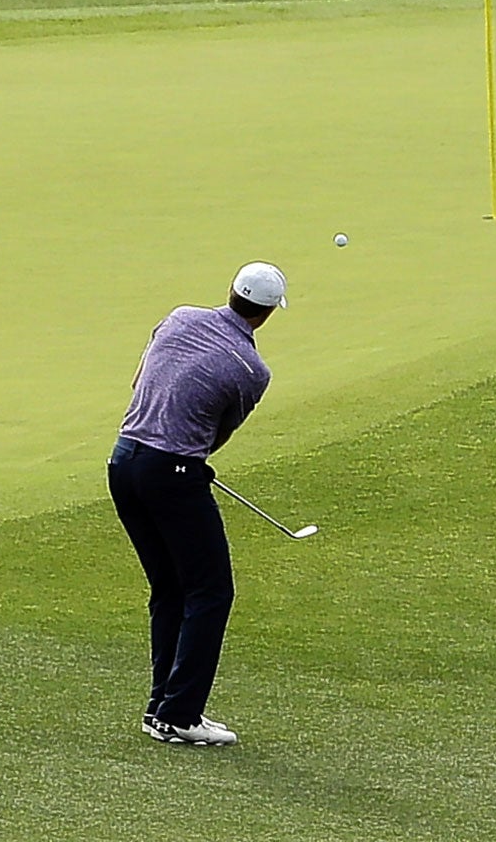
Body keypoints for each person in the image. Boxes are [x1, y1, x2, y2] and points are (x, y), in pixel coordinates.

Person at [108, 261, 288, 749]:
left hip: (122, 462)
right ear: (268, 314)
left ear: (230, 292)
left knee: (170, 588)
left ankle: (161, 710)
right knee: (210, 592)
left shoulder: (180, 316)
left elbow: (142, 379)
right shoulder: (252, 370)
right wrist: (186, 460)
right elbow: (219, 434)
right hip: (173, 475)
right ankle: (182, 713)